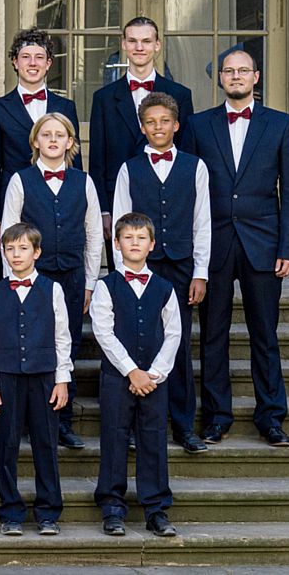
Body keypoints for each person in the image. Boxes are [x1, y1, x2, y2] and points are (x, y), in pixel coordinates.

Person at [186, 47, 289, 448]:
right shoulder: (199, 125)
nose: (235, 76)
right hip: (215, 244)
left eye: (243, 70)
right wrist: (194, 252)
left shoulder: (281, 125)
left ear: (256, 77)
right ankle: (217, 417)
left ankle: (271, 417)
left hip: (264, 245)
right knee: (212, 335)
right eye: (228, 71)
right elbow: (191, 191)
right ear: (220, 78)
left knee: (264, 335)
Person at [111, 92, 212, 454]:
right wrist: (122, 273)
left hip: (181, 266)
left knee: (178, 343)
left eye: (165, 121)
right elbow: (120, 224)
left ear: (176, 125)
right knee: (138, 341)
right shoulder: (129, 169)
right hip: (141, 267)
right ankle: (135, 425)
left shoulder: (195, 167)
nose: (158, 127)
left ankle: (183, 425)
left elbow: (202, 223)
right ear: (142, 127)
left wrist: (201, 272)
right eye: (151, 122)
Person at [0, 113, 103, 448]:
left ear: (71, 142)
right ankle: (29, 419)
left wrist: (90, 282)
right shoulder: (21, 181)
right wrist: (11, 282)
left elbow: (93, 235)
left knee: (66, 344)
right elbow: (9, 233)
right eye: (46, 135)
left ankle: (62, 420)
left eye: (60, 135)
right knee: (30, 343)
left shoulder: (83, 182)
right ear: (36, 141)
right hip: (33, 277)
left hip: (71, 275)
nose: (54, 140)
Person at [92, 213, 181, 538]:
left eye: (141, 238)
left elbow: (174, 334)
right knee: (114, 437)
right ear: (116, 244)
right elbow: (103, 332)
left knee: (153, 439)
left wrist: (153, 373)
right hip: (118, 378)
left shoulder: (164, 288)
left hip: (154, 380)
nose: (134, 243)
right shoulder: (106, 286)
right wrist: (131, 370)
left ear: (152, 244)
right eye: (128, 238)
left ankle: (156, 509)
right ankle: (112, 507)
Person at [0, 222, 71, 537]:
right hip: (7, 376)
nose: (16, 254)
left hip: (45, 376)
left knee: (45, 443)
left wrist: (62, 379)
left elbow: (62, 337)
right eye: (10, 249)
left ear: (37, 252)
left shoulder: (53, 289)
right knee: (7, 444)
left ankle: (48, 511)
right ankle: (10, 511)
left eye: (23, 248)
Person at [0, 28, 79, 248]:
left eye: (39, 57)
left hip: (59, 204)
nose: (32, 63)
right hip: (15, 205)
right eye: (26, 57)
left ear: (49, 63)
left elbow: (74, 162)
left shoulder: (66, 107)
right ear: (15, 62)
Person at [88, 16, 195, 208]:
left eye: (146, 41)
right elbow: (97, 161)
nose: (139, 47)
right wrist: (102, 210)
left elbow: (185, 153)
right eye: (132, 41)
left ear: (157, 45)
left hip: (168, 198)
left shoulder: (180, 95)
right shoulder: (103, 98)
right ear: (124, 44)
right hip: (118, 199)